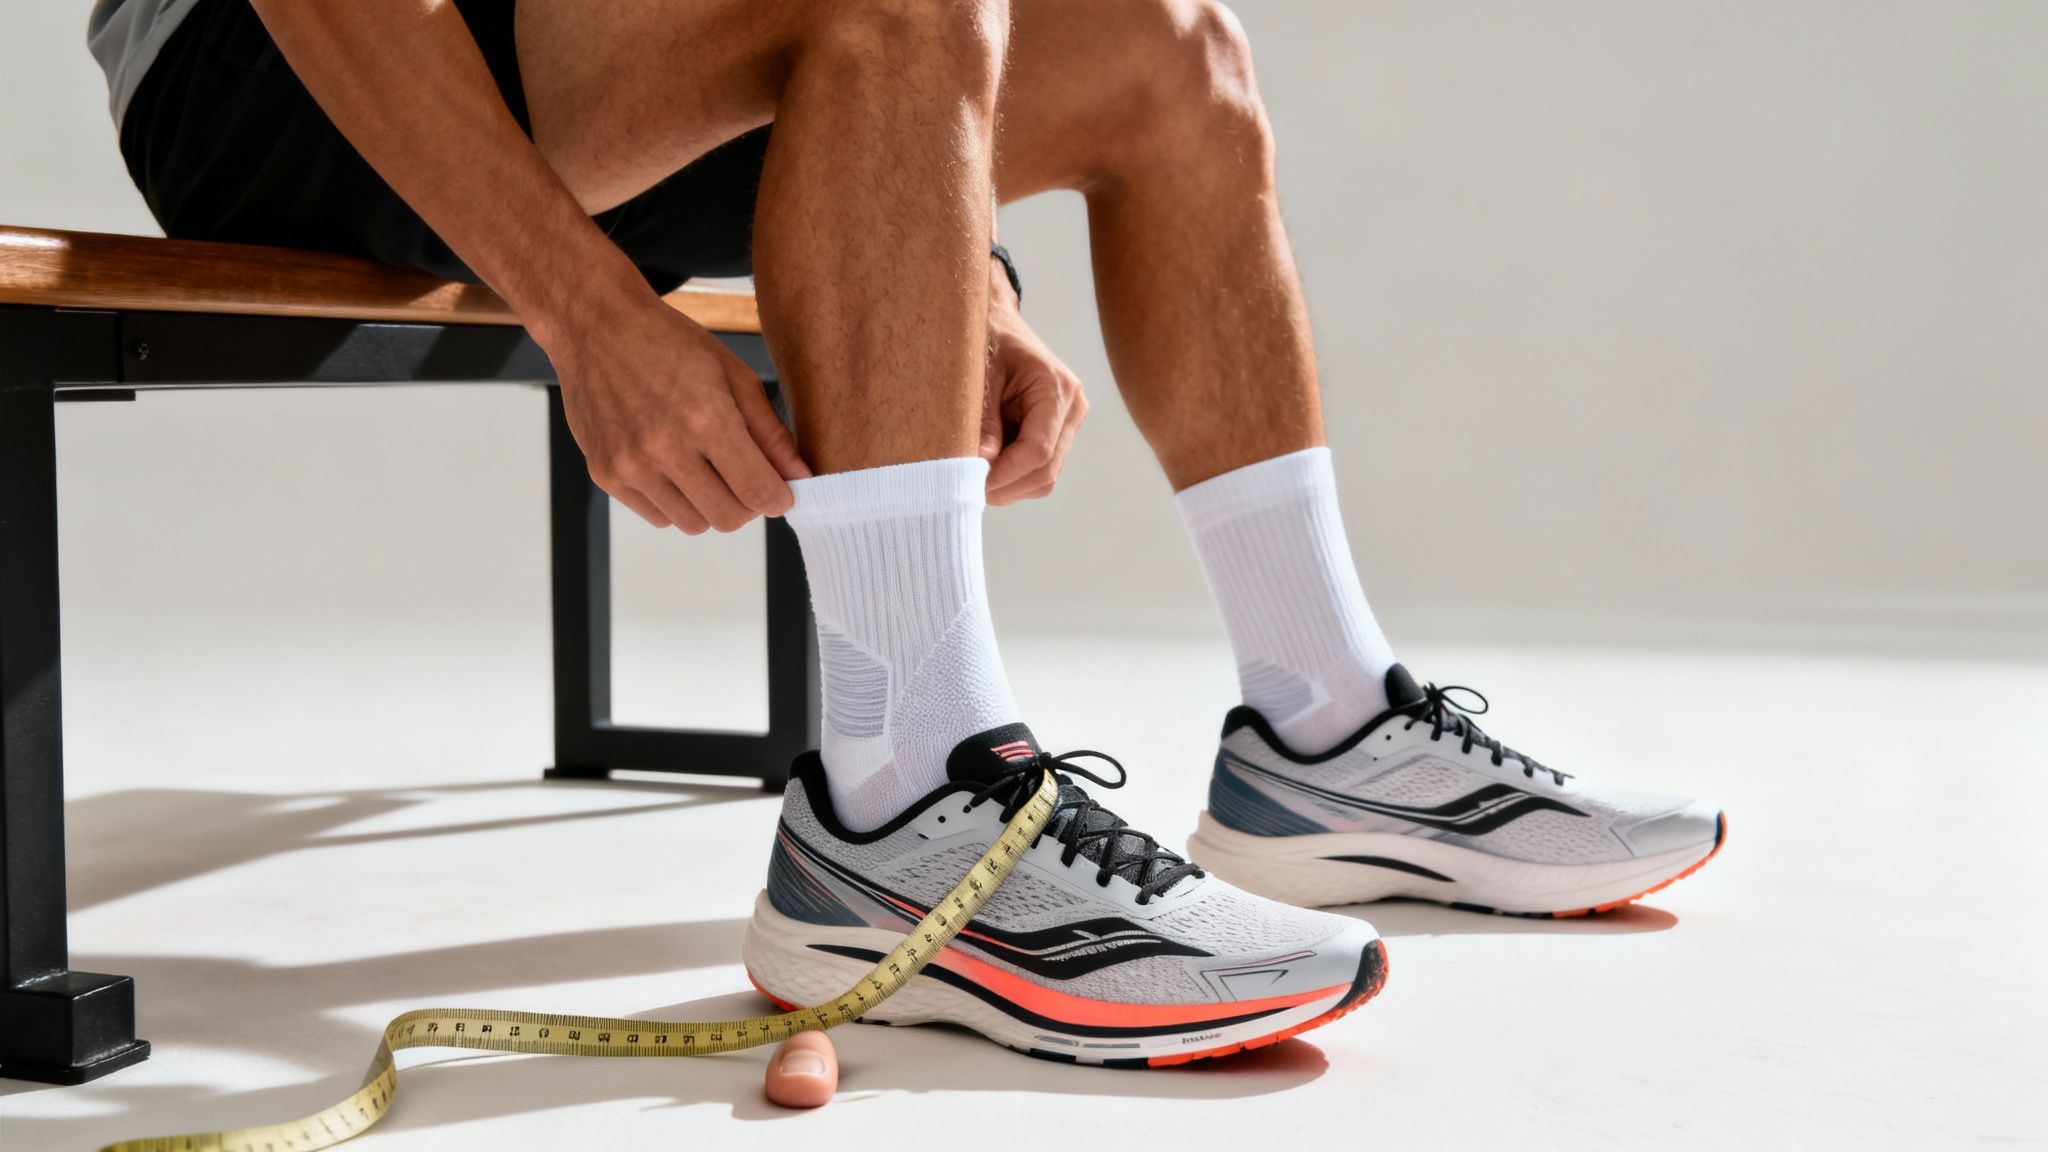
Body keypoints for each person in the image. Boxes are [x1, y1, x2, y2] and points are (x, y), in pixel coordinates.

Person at [90, 0, 1725, 1065]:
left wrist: (961, 287)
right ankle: (906, 803)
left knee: (1176, 54)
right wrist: (592, 320)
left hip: (574, 58)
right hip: (286, 74)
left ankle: (1325, 724)